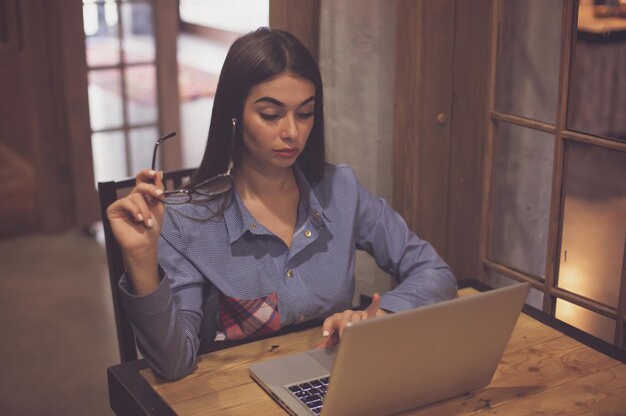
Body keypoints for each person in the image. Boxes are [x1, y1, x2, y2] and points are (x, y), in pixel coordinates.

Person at [107, 27, 457, 381]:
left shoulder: (341, 189)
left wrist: (377, 317)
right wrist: (140, 258)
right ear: (234, 114)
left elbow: (435, 273)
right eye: (271, 114)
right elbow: (172, 364)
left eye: (304, 113)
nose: (292, 132)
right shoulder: (185, 220)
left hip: (334, 383)